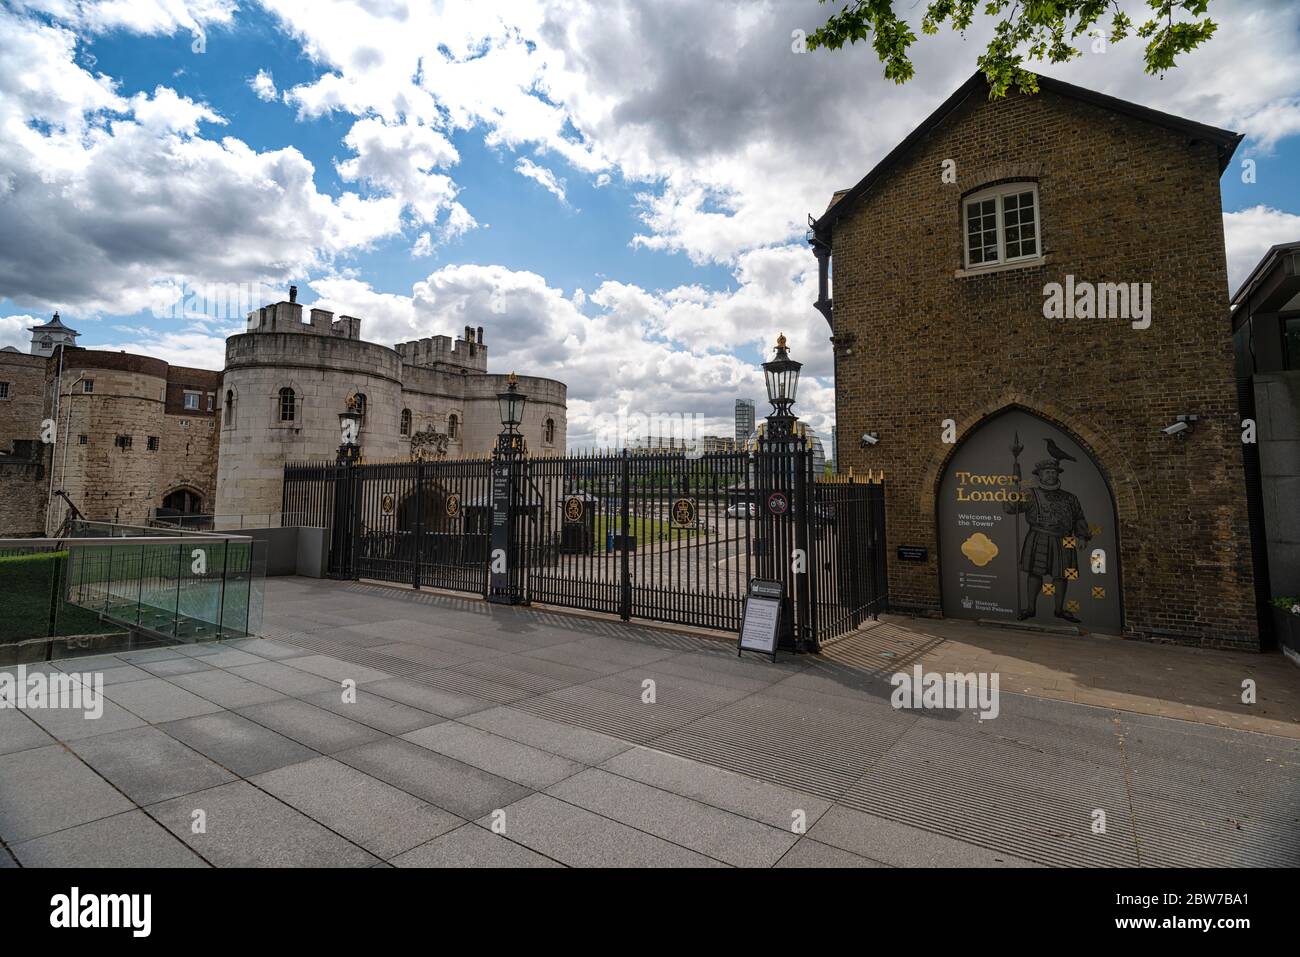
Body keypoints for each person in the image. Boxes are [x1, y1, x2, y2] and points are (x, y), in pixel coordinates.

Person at [1006, 458, 1091, 623]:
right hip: (1039, 536)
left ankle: (1059, 610)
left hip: (1065, 539)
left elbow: (1079, 517)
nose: (1051, 475)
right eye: (1047, 472)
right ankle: (1031, 609)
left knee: (1062, 575)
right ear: (1039, 475)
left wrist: (1081, 536)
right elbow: (1010, 509)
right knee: (1034, 573)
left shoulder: (1070, 497)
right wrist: (1014, 492)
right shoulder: (1029, 493)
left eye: (1054, 472)